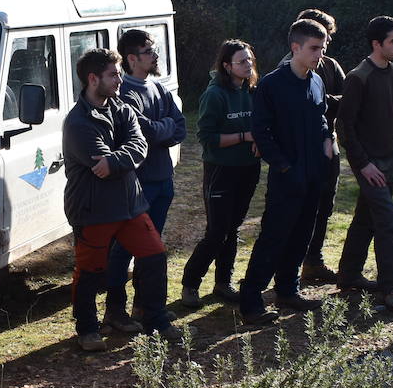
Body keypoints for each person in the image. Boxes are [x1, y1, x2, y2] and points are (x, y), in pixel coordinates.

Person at [63, 48, 182, 351]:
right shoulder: (77, 122)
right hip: (94, 209)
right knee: (91, 271)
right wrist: (119, 159)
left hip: (130, 203)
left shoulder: (122, 108)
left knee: (154, 255)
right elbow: (97, 163)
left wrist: (115, 161)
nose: (119, 80)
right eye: (113, 74)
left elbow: (139, 145)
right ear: (93, 79)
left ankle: (156, 319)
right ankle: (88, 329)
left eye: (118, 73)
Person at [237, 19, 334, 323]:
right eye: (315, 48)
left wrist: (326, 146)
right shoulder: (272, 84)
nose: (320, 54)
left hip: (313, 174)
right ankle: (251, 300)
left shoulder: (317, 81)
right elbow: (261, 132)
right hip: (285, 177)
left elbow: (321, 120)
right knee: (274, 237)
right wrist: (283, 166)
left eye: (324, 47)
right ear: (295, 47)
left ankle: (288, 290)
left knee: (302, 235)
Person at [104, 28, 187, 329]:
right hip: (137, 184)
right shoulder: (123, 92)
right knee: (125, 248)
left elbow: (180, 127)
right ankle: (114, 311)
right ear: (131, 58)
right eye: (149, 51)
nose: (155, 56)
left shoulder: (159, 88)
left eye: (154, 50)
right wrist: (161, 129)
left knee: (152, 248)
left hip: (163, 179)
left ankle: (143, 305)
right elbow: (146, 133)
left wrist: (160, 128)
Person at [335, 17, 393, 312]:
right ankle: (391, 287)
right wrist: (363, 164)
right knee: (387, 223)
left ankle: (349, 274)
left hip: (389, 159)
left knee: (366, 218)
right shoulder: (359, 76)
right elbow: (344, 126)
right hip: (369, 164)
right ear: (376, 44)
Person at [180, 40, 261, 307]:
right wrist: (243, 136)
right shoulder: (214, 94)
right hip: (220, 170)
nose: (248, 64)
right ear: (227, 66)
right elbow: (206, 137)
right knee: (217, 232)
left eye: (250, 59)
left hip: (248, 169)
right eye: (242, 61)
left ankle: (223, 283)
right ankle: (190, 283)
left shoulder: (252, 90)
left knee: (233, 228)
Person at [278, 9, 346, 282]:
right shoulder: (287, 68)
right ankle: (288, 271)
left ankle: (313, 259)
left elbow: (347, 95)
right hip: (300, 149)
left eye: (327, 40)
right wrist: (325, 102)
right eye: (319, 41)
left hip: (329, 143)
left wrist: (325, 102)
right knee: (299, 208)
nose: (325, 46)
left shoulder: (330, 65)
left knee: (325, 204)